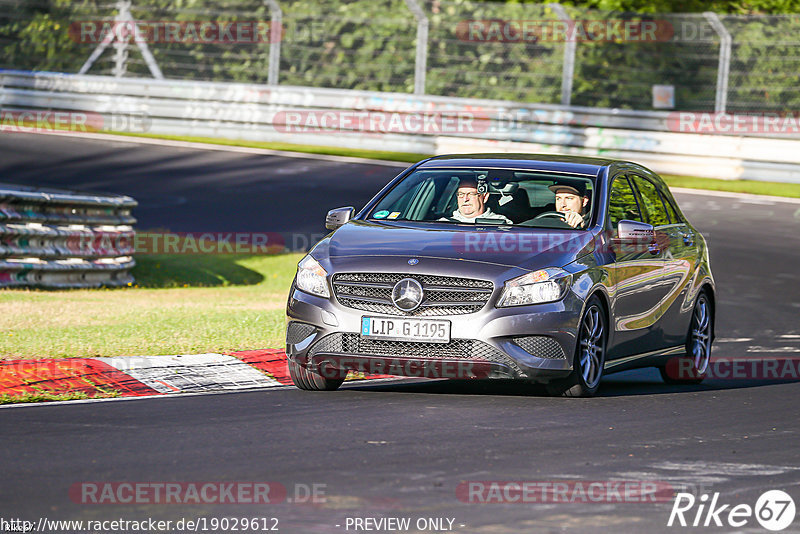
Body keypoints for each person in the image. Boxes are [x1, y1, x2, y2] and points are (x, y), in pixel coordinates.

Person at [441, 178, 512, 224]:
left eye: (471, 194)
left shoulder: (501, 223)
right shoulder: (443, 224)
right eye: (461, 194)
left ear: (485, 197)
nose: (465, 199)